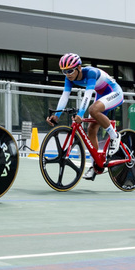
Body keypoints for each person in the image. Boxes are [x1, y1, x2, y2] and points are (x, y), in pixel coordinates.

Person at [47, 53, 125, 181]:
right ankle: (95, 166)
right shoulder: (69, 78)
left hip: (115, 93)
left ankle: (114, 136)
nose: (68, 74)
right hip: (102, 95)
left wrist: (80, 114)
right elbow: (64, 96)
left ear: (78, 68)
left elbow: (88, 95)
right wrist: (57, 115)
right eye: (64, 72)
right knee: (91, 130)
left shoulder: (91, 73)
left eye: (70, 70)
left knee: (93, 110)